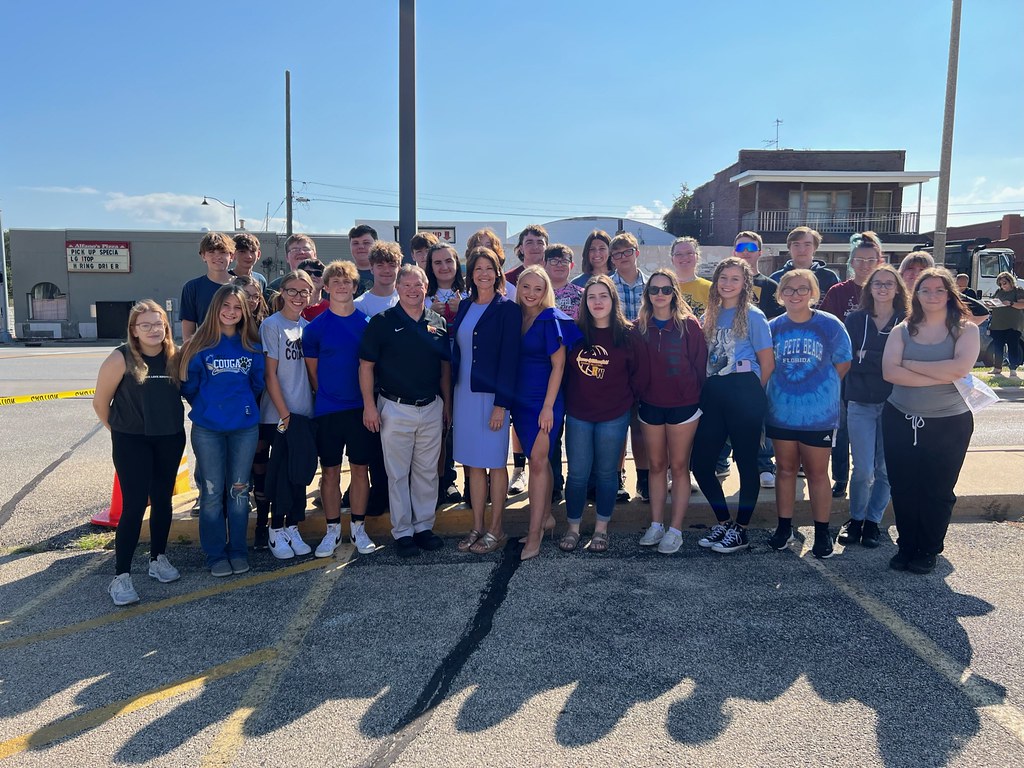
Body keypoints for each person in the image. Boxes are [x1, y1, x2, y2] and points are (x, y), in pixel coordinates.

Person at [882, 268, 979, 574]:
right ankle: (907, 545)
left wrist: (911, 365)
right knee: (904, 487)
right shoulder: (902, 330)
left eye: (939, 290)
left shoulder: (966, 330)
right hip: (899, 418)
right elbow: (889, 373)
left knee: (937, 490)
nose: (932, 295)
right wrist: (940, 371)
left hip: (949, 424)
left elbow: (959, 370)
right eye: (926, 290)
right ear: (916, 295)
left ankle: (928, 549)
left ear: (950, 294)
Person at [94, 301, 186, 606]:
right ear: (133, 330)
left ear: (166, 326)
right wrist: (121, 434)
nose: (153, 330)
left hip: (169, 438)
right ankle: (121, 576)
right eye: (144, 325)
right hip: (132, 441)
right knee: (134, 506)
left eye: (158, 324)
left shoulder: (175, 356)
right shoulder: (120, 358)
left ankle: (158, 559)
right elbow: (100, 403)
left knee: (162, 500)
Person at [359, 265, 451, 557]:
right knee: (397, 474)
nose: (413, 291)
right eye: (407, 285)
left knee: (426, 472)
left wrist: (447, 403)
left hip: (431, 406)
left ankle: (424, 526)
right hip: (394, 408)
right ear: (398, 288)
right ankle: (403, 532)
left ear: (427, 288)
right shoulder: (381, 322)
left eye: (419, 285)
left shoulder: (438, 321)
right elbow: (366, 366)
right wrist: (369, 406)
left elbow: (445, 368)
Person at [177, 284, 265, 577]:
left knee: (239, 492)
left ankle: (238, 550)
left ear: (245, 311)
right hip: (208, 429)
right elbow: (188, 386)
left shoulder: (251, 345)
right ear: (215, 308)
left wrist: (241, 407)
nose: (231, 312)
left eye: (237, 307)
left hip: (244, 428)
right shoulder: (198, 346)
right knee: (212, 493)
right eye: (225, 306)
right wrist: (208, 406)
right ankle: (215, 554)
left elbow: (257, 383)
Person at [764, 270, 853, 559]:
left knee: (817, 474)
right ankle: (784, 526)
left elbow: (843, 363)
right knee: (785, 471)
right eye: (788, 289)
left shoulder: (829, 325)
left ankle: (822, 531)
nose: (795, 294)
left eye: (803, 289)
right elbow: (765, 365)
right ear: (780, 295)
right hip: (781, 412)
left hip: (818, 416)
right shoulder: (772, 327)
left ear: (813, 293)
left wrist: (817, 388)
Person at [691, 257, 774, 553]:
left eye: (735, 279)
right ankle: (725, 522)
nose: (727, 284)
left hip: (744, 390)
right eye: (723, 278)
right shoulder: (709, 315)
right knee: (700, 463)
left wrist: (751, 395)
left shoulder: (753, 315)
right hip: (714, 392)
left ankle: (742, 529)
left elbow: (767, 362)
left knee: (746, 463)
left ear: (745, 284)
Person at [561, 276, 646, 552]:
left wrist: (627, 402)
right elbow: (563, 372)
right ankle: (573, 528)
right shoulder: (575, 332)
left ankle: (600, 529)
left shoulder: (628, 333)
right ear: (584, 302)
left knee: (607, 474)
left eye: (603, 296)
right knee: (577, 475)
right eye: (592, 296)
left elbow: (638, 375)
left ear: (613, 300)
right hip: (579, 414)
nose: (597, 302)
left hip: (614, 414)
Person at [303, 260, 378, 558]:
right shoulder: (315, 328)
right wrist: (329, 396)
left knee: (361, 470)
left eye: (347, 281)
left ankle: (358, 528)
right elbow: (313, 374)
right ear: (326, 286)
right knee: (330, 471)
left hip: (361, 409)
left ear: (354, 286)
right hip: (328, 411)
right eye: (336, 281)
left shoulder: (366, 324)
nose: (342, 286)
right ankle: (332, 529)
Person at [451, 246, 521, 555]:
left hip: (492, 399)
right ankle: (477, 526)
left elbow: (510, 359)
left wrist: (501, 404)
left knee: (494, 463)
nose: (483, 274)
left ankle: (496, 529)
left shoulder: (507, 308)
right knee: (472, 465)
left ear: (498, 273)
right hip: (463, 395)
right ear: (470, 274)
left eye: (488, 268)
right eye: (477, 269)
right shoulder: (465, 307)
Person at [633, 269, 707, 555]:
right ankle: (656, 524)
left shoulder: (689, 326)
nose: (660, 295)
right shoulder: (638, 326)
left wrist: (696, 399)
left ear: (674, 293)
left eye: (666, 290)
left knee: (678, 466)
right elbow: (635, 367)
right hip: (650, 405)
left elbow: (700, 367)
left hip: (684, 407)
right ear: (647, 294)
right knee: (655, 466)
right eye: (654, 290)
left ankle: (675, 529)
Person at [838, 264, 909, 550]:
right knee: (863, 469)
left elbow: (905, 362)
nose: (882, 288)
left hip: (895, 404)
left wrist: (867, 357)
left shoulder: (907, 321)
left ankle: (872, 523)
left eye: (888, 284)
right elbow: (848, 360)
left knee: (885, 469)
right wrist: (883, 361)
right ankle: (855, 520)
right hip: (860, 403)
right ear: (869, 288)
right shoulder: (855, 320)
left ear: (897, 289)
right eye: (877, 283)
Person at [513, 266, 582, 561]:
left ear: (546, 292)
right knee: (536, 461)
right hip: (520, 401)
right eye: (526, 287)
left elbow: (559, 367)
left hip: (545, 401)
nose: (531, 293)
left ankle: (534, 535)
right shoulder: (516, 316)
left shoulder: (550, 318)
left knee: (539, 463)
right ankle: (546, 517)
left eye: (538, 289)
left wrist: (547, 407)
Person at [820, 232, 886, 499]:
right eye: (859, 259)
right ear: (851, 261)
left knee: (873, 432)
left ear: (879, 261)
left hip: (875, 375)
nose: (865, 265)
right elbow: (825, 327)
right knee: (841, 427)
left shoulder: (884, 290)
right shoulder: (839, 292)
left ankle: (870, 478)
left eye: (870, 260)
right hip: (842, 370)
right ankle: (839, 478)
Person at [258, 269, 316, 559]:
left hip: (304, 412)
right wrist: (285, 415)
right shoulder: (272, 325)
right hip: (279, 416)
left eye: (304, 291)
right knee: (279, 476)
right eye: (292, 290)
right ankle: (275, 530)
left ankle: (292, 526)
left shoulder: (307, 326)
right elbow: (270, 375)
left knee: (298, 475)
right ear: (282, 293)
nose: (298, 296)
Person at [721, 231, 783, 489]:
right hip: (727, 364)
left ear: (760, 251)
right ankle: (720, 460)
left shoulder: (769, 286)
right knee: (723, 413)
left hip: (761, 360)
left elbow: (778, 322)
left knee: (759, 414)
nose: (745, 251)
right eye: (740, 247)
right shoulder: (723, 285)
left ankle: (764, 464)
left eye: (751, 247)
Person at [609, 232, 650, 501]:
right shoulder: (607, 286)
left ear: (637, 252)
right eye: (617, 254)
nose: (623, 257)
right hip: (618, 364)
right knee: (617, 425)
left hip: (648, 364)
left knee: (641, 425)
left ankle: (644, 478)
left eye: (627, 252)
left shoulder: (654, 285)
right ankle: (617, 476)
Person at [180, 232, 236, 343]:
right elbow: (188, 335)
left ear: (232, 256)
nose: (217, 256)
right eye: (211, 252)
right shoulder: (192, 288)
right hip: (206, 351)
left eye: (223, 252)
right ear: (203, 256)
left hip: (238, 352)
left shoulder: (242, 285)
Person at [771, 226, 840, 302]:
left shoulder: (829, 277)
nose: (801, 250)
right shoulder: (776, 278)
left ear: (815, 247)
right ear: (789, 248)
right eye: (796, 245)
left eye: (807, 245)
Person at [986, 271, 1024, 378]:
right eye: (1001, 284)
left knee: (1013, 345)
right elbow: (994, 301)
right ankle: (997, 367)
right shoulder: (999, 291)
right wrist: (991, 305)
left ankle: (1013, 369)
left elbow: (1022, 305)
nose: (1003, 286)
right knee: (998, 346)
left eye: (1004, 283)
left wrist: (1011, 303)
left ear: (1010, 281)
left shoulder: (1018, 291)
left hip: (1013, 324)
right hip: (998, 324)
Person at [354, 241, 401, 317]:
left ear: (399, 268)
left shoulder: (407, 299)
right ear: (371, 268)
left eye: (392, 265)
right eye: (380, 265)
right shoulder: (359, 306)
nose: (386, 270)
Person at [425, 241, 467, 326]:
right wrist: (430, 314)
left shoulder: (471, 293)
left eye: (449, 261)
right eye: (438, 263)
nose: (444, 267)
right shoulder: (421, 295)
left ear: (457, 264)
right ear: (431, 267)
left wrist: (463, 308)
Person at [670, 236, 712, 317]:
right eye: (678, 254)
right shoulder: (664, 287)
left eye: (689, 253)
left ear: (697, 257)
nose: (684, 257)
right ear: (672, 259)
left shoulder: (710, 288)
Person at [545, 243, 583, 319]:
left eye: (564, 261)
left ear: (571, 265)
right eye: (554, 261)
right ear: (544, 264)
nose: (559, 265)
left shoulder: (582, 295)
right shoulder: (537, 294)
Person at [348, 224, 378, 295]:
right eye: (355, 243)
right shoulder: (342, 274)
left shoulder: (387, 274)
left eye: (366, 243)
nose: (361, 246)